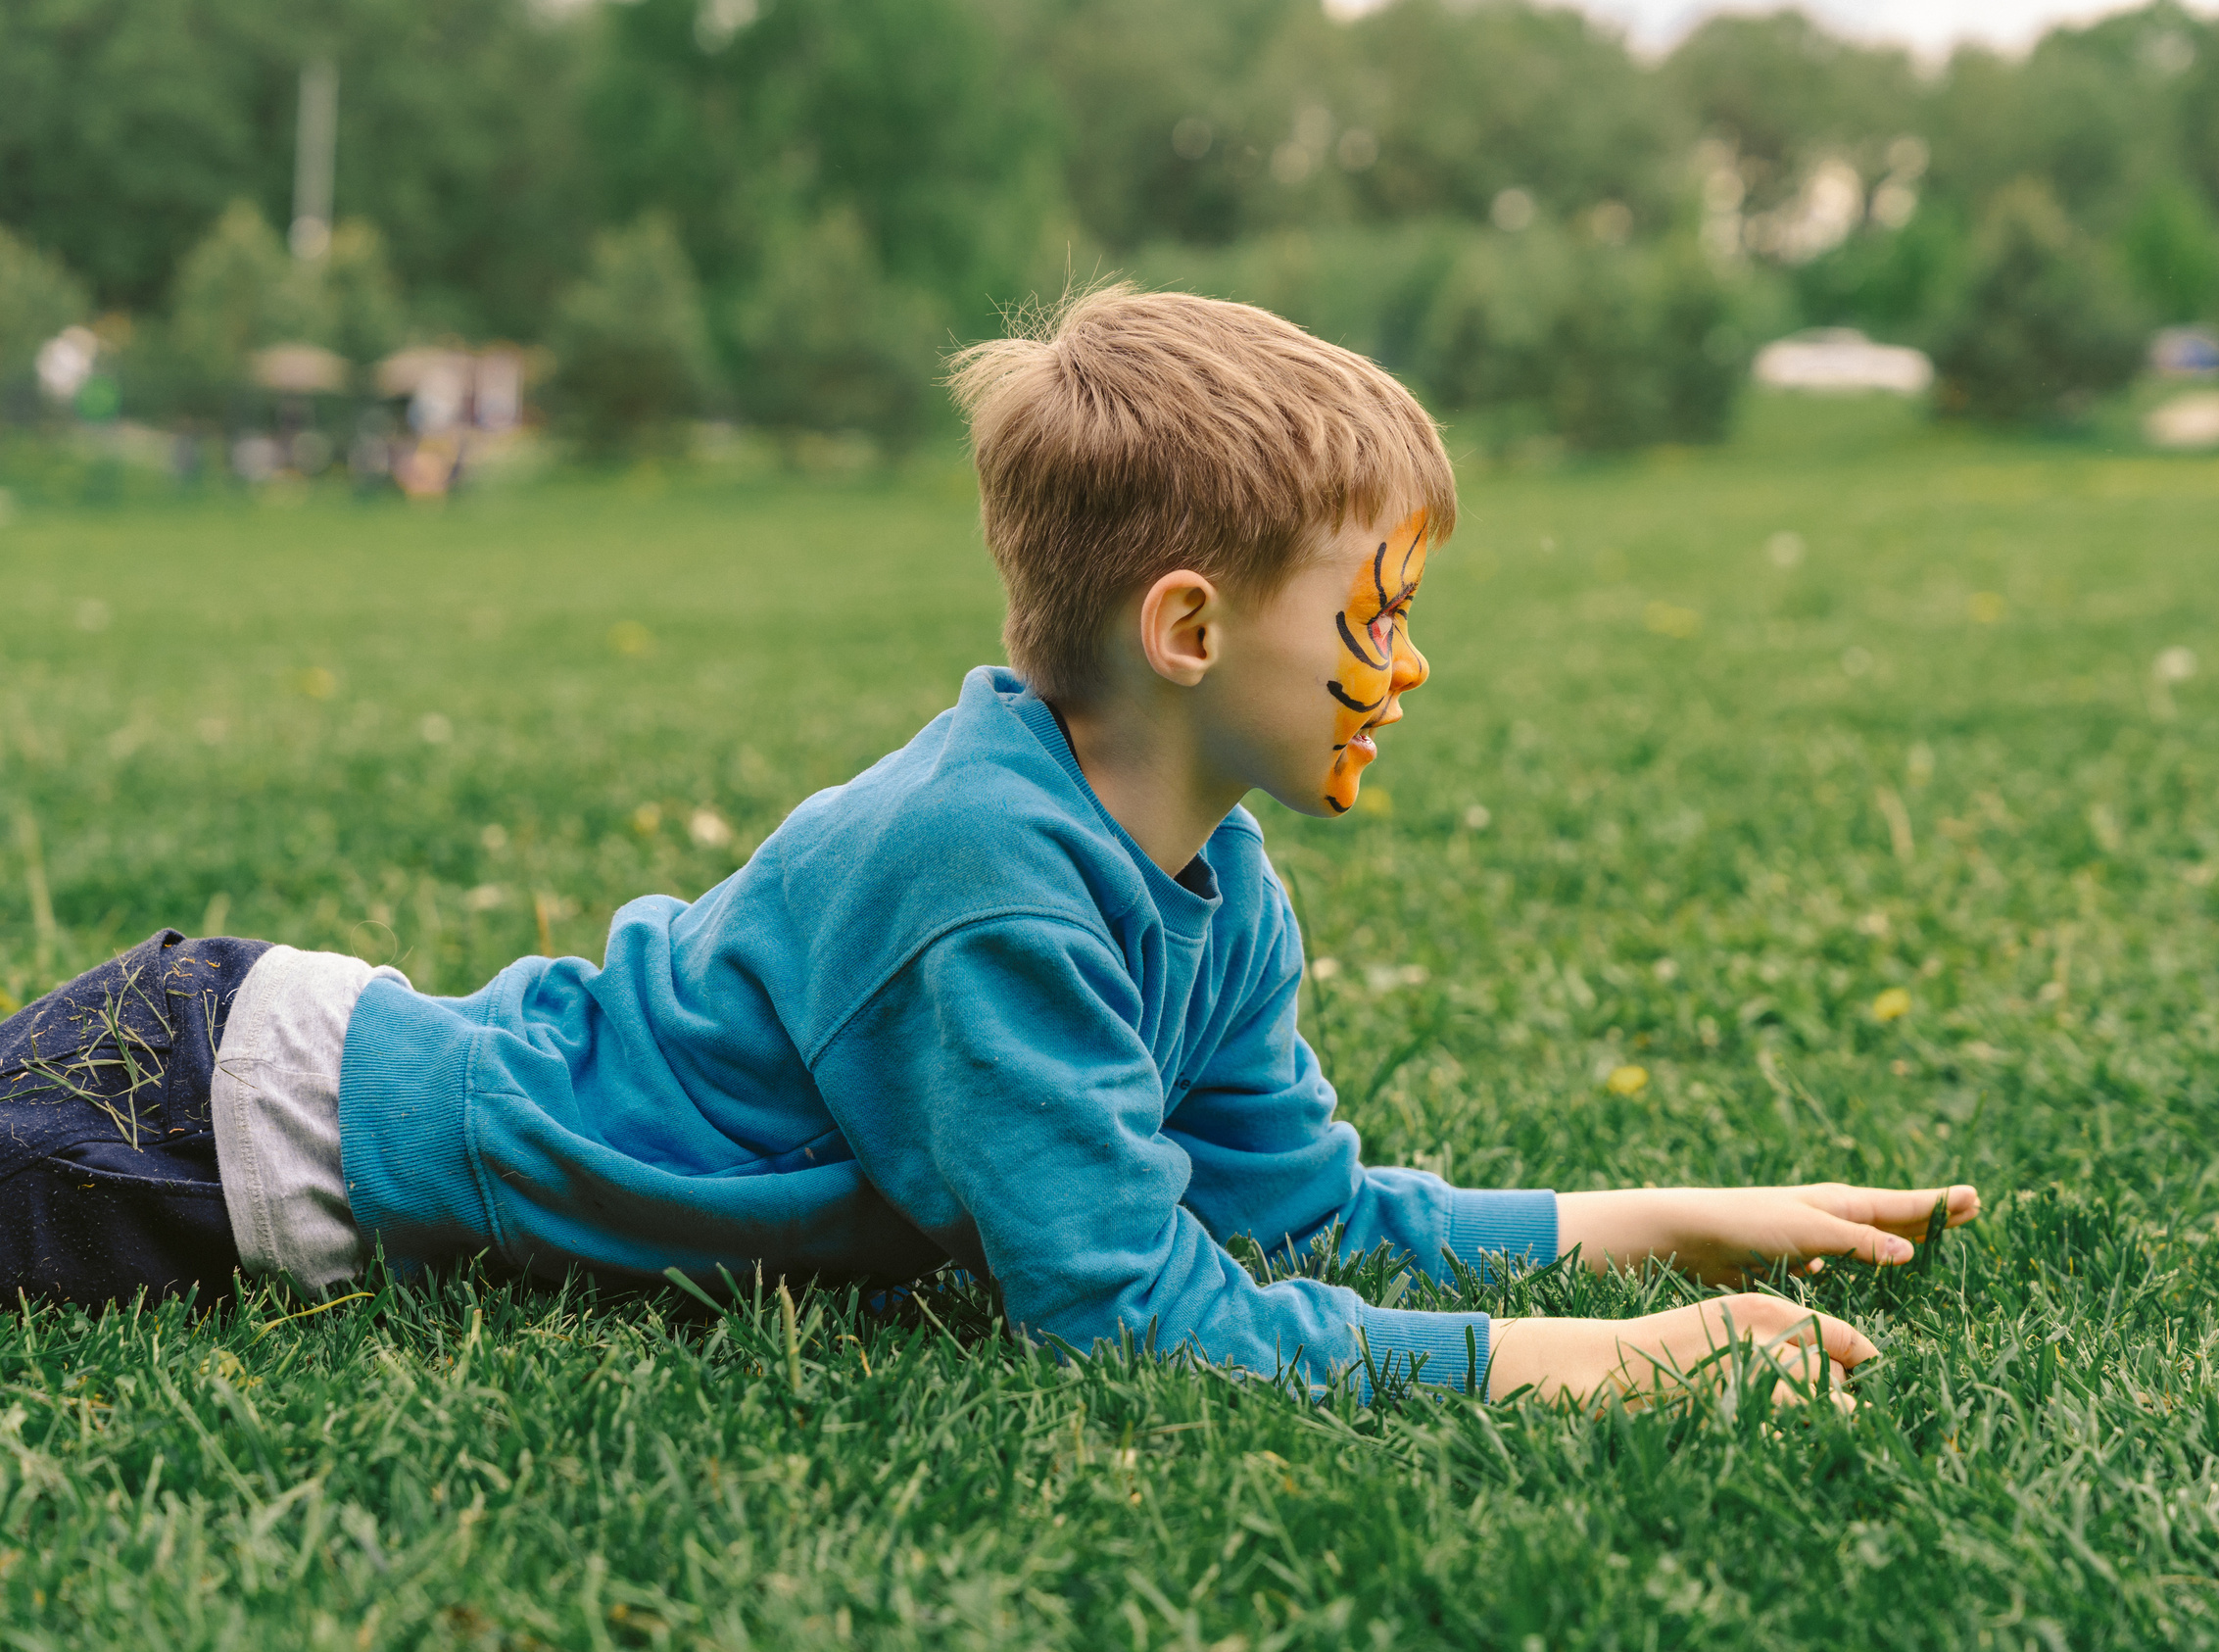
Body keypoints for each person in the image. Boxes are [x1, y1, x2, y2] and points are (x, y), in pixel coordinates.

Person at [0, 288, 1978, 1406]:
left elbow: (1291, 1213)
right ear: (1189, 631)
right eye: (1365, 612)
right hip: (199, 1130)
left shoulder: (1206, 880)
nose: (1406, 659)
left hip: (229, 1088)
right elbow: (1128, 1306)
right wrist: (1618, 1362)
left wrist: (1683, 1220)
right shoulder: (994, 876)